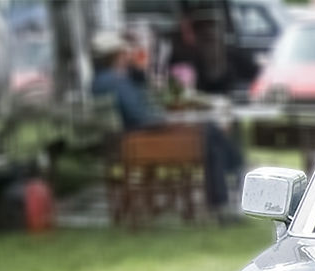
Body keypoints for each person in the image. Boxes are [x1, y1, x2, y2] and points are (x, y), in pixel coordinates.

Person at [91, 31, 244, 221]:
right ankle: (232, 177)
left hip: (128, 141)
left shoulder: (103, 80)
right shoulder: (117, 81)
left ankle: (227, 188)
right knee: (207, 134)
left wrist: (138, 74)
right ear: (118, 55)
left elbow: (139, 100)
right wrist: (168, 120)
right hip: (138, 142)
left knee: (208, 133)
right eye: (125, 52)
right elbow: (139, 116)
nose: (128, 55)